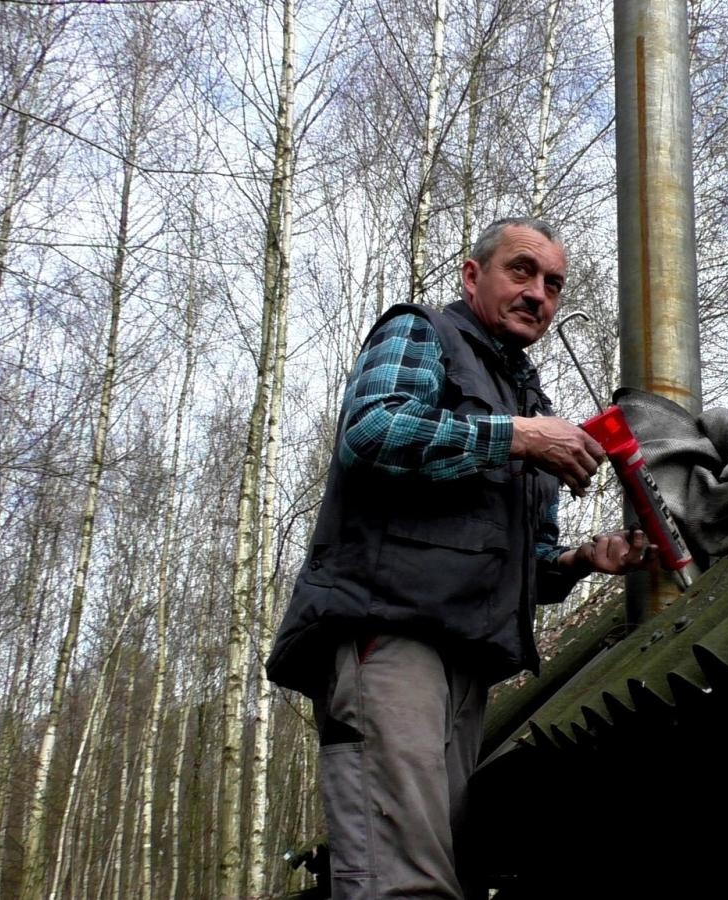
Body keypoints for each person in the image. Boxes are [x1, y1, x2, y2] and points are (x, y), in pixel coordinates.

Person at [266, 217, 649, 899]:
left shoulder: (533, 405)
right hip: (392, 635)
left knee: (446, 868)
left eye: (553, 284)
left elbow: (528, 567)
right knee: (401, 878)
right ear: (473, 277)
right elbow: (373, 429)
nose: (538, 294)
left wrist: (585, 560)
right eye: (521, 271)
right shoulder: (422, 333)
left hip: (470, 664)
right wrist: (517, 437)